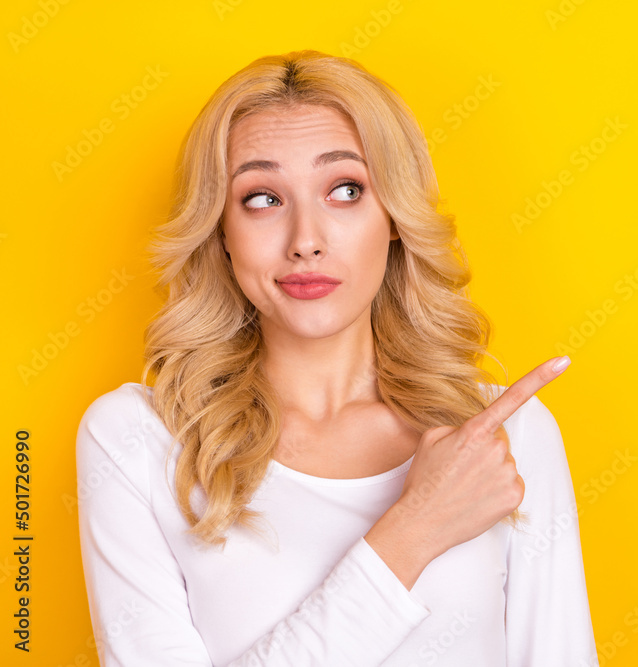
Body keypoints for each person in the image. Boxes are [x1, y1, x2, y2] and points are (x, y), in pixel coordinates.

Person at [75, 50, 599, 666]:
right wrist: (413, 531)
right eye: (262, 198)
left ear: (395, 217)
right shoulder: (137, 441)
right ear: (220, 229)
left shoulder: (499, 436)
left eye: (345, 190)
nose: (306, 242)